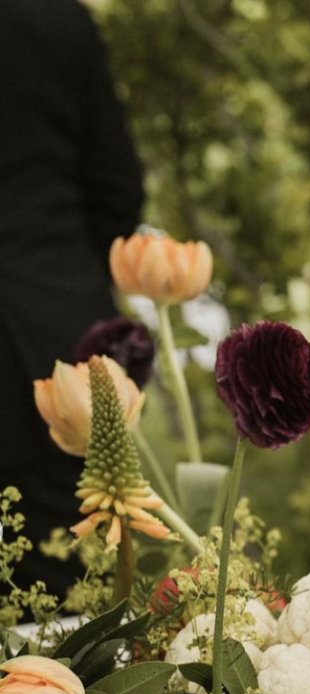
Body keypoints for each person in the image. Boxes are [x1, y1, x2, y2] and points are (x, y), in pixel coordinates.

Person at [0, 0, 144, 594]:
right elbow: (118, 191)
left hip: (47, 357)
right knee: (63, 624)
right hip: (52, 345)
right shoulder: (56, 17)